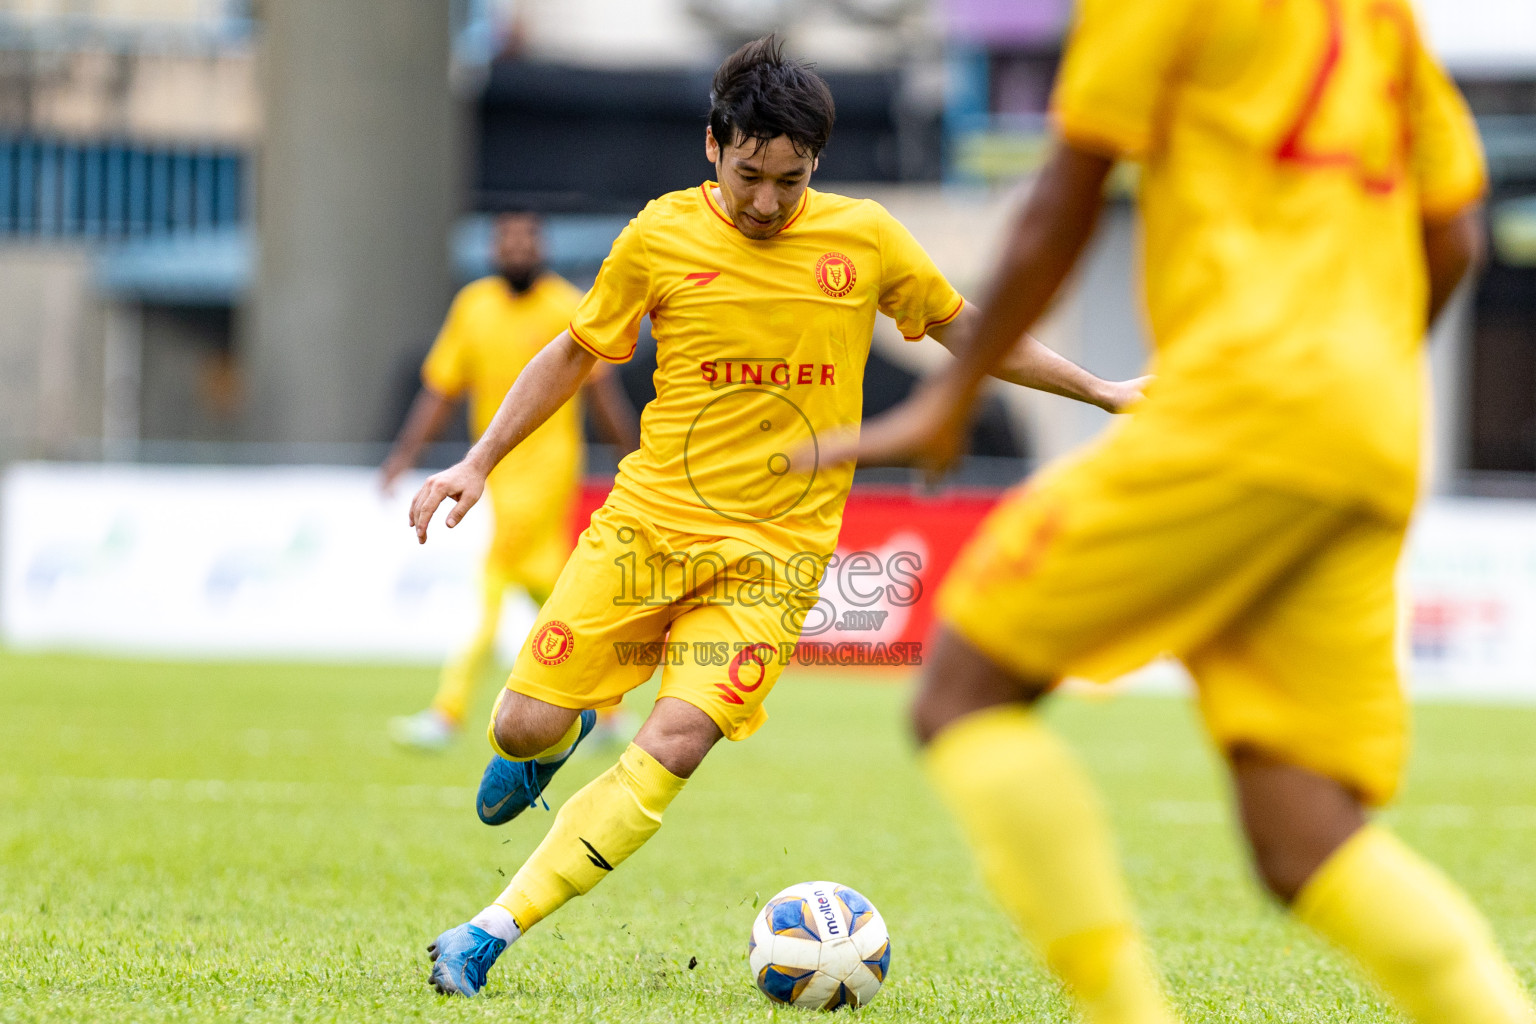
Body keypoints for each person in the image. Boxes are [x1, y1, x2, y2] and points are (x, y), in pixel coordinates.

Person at [824, 0, 1535, 1021]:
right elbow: (1456, 232)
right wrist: (1356, 384)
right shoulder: (1378, 14)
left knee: (963, 691)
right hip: (1372, 428)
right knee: (1302, 832)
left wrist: (952, 392)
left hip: (1248, 407)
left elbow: (1063, 199)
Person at [405, 36, 1146, 997]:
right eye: (750, 176)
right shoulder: (659, 236)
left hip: (775, 559)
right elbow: (575, 351)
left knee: (674, 741)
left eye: (789, 184)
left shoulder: (866, 239)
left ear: (815, 170)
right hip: (647, 530)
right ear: (713, 148)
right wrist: (476, 459)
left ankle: (488, 932)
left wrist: (1097, 389)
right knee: (519, 728)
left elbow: (970, 326)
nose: (765, 203)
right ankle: (565, 726)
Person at [383, 211, 639, 751]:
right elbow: (441, 388)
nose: (519, 249)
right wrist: (405, 455)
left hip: (546, 472)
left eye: (528, 240)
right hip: (493, 473)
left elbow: (600, 388)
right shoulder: (472, 307)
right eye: (509, 240)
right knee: (552, 594)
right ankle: (608, 710)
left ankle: (447, 712)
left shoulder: (566, 305)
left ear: (541, 247)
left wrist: (633, 455)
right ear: (495, 250)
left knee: (493, 584)